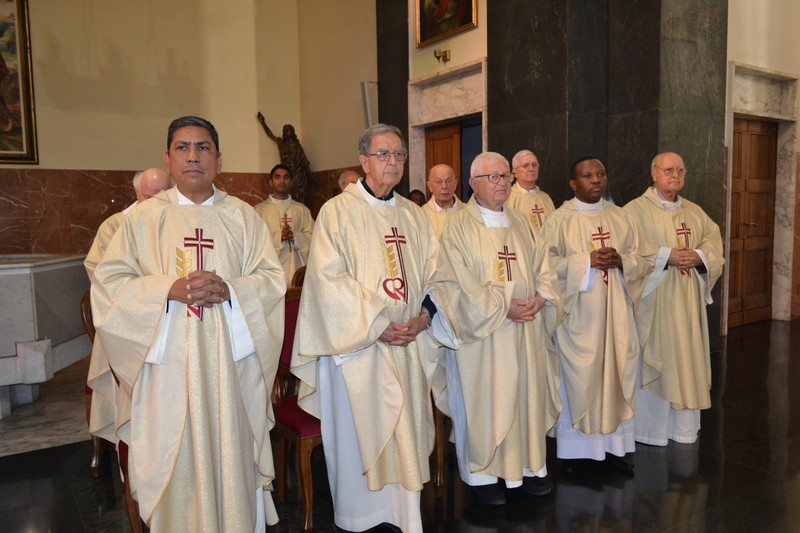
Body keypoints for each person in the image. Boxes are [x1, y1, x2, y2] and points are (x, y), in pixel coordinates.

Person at [92, 116, 286, 531]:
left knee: (232, 452)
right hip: (167, 371)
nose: (193, 156)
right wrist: (167, 289)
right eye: (182, 147)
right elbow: (109, 285)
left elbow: (272, 280)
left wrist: (231, 290)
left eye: (203, 147)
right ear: (167, 159)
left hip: (231, 368)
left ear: (219, 159)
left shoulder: (243, 217)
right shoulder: (141, 219)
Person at [290, 123, 438, 532]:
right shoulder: (337, 212)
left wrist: (424, 317)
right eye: (383, 154)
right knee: (359, 436)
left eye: (399, 154)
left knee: (405, 430)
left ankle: (403, 515)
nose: (393, 162)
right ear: (364, 161)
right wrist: (377, 324)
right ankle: (358, 518)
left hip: (408, 343)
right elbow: (326, 280)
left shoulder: (413, 215)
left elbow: (438, 274)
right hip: (357, 349)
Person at [429, 152, 562, 505]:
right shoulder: (458, 227)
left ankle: (530, 468)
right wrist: (503, 305)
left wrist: (542, 297)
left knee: (525, 397)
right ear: (473, 184)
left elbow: (545, 267)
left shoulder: (522, 222)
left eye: (505, 176)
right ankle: (483, 475)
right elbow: (454, 283)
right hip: (483, 338)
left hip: (526, 331)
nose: (502, 182)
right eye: (493, 177)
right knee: (486, 402)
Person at [540, 156, 647, 474]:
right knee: (581, 381)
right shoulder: (559, 221)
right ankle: (577, 455)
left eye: (601, 174)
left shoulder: (621, 217)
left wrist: (623, 261)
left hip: (617, 318)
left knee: (617, 376)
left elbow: (643, 258)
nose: (596, 180)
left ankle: (615, 449)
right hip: (579, 319)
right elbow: (543, 267)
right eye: (588, 176)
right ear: (573, 183)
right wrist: (585, 261)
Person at [623, 152, 724, 446]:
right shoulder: (633, 211)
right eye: (668, 170)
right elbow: (628, 253)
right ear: (654, 173)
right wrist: (666, 256)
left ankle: (683, 428)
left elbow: (713, 245)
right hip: (654, 302)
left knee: (686, 358)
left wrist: (700, 256)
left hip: (687, 303)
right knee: (658, 357)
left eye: (680, 170)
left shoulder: (694, 211)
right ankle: (650, 430)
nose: (675, 175)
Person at [85, 167, 172, 444]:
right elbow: (100, 274)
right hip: (124, 324)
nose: (158, 201)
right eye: (150, 196)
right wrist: (151, 294)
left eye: (165, 194)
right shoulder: (115, 226)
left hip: (171, 322)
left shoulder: (177, 222)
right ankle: (131, 453)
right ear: (136, 193)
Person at [254, 164, 315, 286]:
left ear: (291, 182)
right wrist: (279, 236)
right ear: (271, 182)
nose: (282, 181)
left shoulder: (302, 210)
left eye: (286, 177)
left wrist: (295, 237)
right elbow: (254, 240)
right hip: (270, 271)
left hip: (297, 269)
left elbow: (313, 238)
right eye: (277, 177)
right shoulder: (259, 211)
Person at [257, 112, 313, 203]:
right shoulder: (281, 143)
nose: (286, 132)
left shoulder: (297, 146)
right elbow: (270, 134)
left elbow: (304, 162)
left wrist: (312, 177)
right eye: (284, 130)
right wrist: (263, 122)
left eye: (288, 130)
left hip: (297, 174)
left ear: (292, 132)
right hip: (287, 172)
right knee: (286, 196)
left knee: (299, 198)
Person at [507, 150, 556, 231]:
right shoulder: (508, 198)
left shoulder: (545, 198)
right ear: (514, 172)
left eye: (534, 165)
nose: (531, 169)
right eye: (525, 166)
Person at [422, 163, 464, 237]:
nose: (444, 186)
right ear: (430, 186)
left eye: (448, 181)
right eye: (438, 182)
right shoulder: (421, 215)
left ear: (455, 184)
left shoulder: (468, 212)